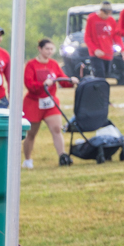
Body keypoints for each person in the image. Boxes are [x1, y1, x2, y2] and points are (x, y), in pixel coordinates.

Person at [20, 38, 73, 168]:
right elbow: (29, 84)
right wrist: (42, 84)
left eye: (51, 49)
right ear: (40, 49)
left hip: (50, 103)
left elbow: (62, 80)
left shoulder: (54, 64)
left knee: (56, 129)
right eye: (46, 49)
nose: (49, 51)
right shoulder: (31, 65)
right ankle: (27, 160)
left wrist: (71, 81)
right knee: (31, 134)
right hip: (34, 103)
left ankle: (62, 156)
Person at [82, 0, 121, 81]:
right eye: (106, 13)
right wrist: (95, 50)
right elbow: (87, 38)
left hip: (108, 54)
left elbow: (116, 36)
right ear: (101, 11)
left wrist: (123, 50)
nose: (108, 15)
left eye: (109, 13)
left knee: (106, 74)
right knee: (100, 75)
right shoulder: (91, 19)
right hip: (96, 55)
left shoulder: (111, 20)